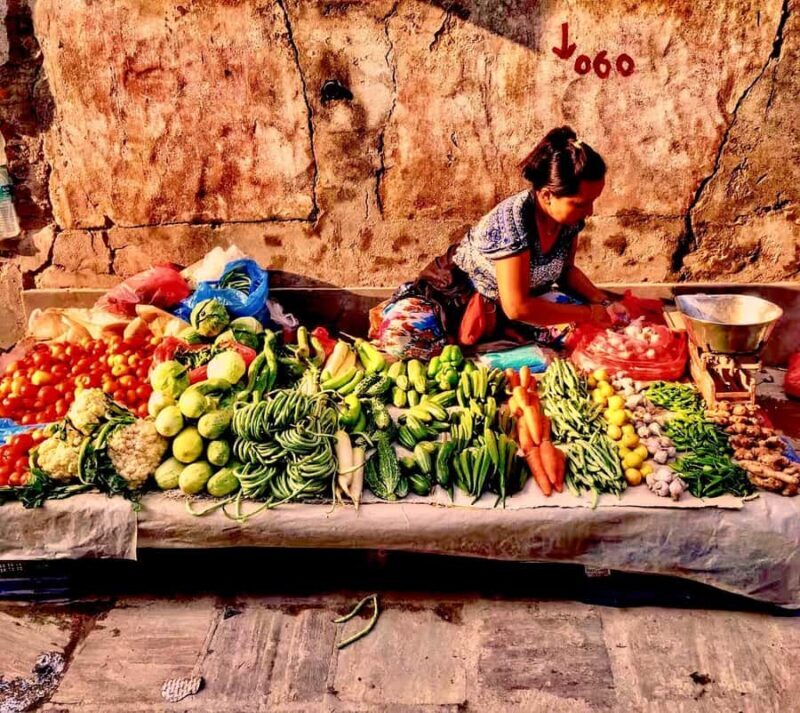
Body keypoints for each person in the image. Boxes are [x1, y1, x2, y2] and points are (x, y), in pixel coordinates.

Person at [371, 126, 628, 357]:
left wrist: (602, 302)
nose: (590, 212)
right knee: (401, 339)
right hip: (456, 298)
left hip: (515, 307)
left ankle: (490, 342)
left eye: (593, 202)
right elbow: (517, 306)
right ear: (547, 195)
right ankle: (469, 339)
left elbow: (567, 271)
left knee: (592, 334)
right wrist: (587, 312)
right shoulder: (512, 222)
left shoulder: (570, 221)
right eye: (581, 203)